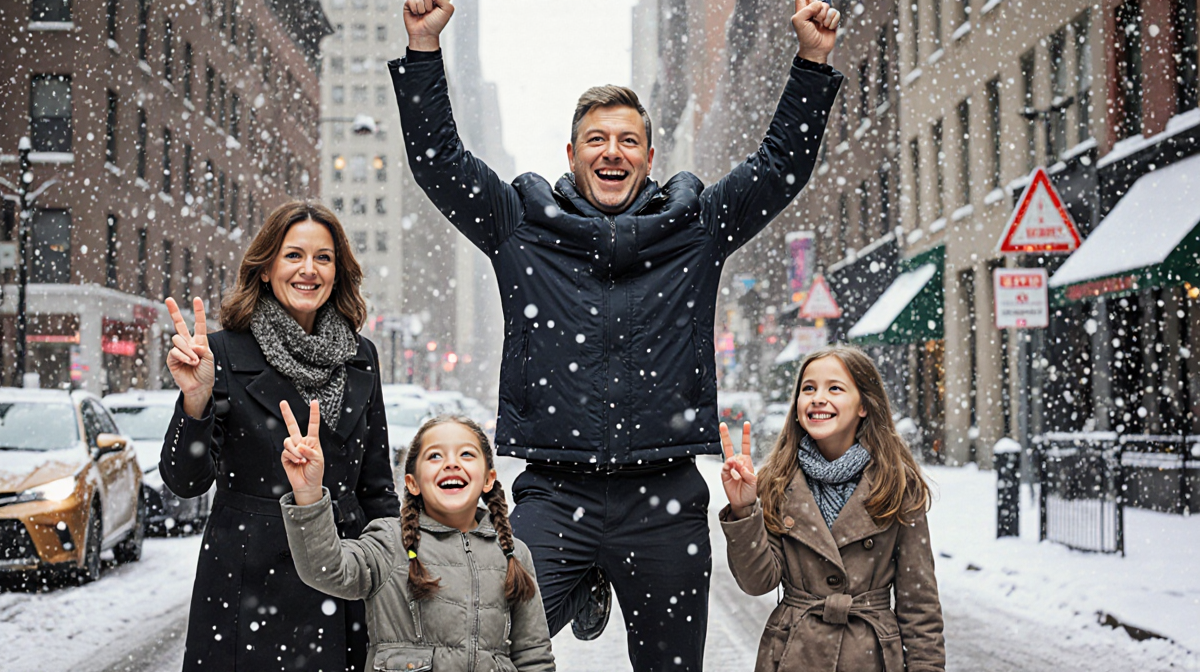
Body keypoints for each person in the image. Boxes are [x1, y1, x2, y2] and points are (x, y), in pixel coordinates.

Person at [392, 1, 842, 668]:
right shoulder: (521, 223)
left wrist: (812, 62)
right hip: (554, 494)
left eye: (628, 140)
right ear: (572, 155)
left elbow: (778, 169)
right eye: (597, 140)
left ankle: (606, 581)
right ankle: (579, 580)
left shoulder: (696, 226)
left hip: (664, 499)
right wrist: (424, 47)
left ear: (650, 157)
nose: (612, 152)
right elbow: (443, 167)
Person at [159, 201, 401, 672]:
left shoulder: (361, 355)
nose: (308, 270)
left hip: (342, 577)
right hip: (247, 579)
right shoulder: (224, 351)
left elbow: (377, 489)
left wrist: (399, 564)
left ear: (338, 272)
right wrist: (196, 400)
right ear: (266, 268)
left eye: (323, 258)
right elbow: (185, 481)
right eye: (293, 255)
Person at [718, 345, 945, 672]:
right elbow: (757, 582)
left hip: (872, 657)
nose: (817, 398)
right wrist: (744, 510)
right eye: (808, 388)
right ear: (796, 407)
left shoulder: (896, 485)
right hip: (794, 653)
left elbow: (919, 605)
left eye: (834, 388)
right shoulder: (777, 482)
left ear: (864, 405)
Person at [278, 409, 556, 671]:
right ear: (412, 483)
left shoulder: (513, 554)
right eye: (435, 456)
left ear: (488, 479)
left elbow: (534, 655)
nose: (451, 463)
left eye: (467, 454)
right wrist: (309, 494)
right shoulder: (389, 542)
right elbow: (325, 568)